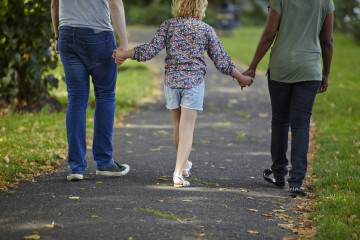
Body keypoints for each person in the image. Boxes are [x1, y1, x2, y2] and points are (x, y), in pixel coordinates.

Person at [113, 0, 253, 187]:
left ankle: (184, 164)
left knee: (178, 125)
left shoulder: (168, 26)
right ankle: (178, 174)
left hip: (172, 82)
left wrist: (126, 53)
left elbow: (149, 51)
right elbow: (221, 60)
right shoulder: (205, 29)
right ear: (201, 6)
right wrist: (240, 78)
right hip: (193, 83)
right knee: (187, 128)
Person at [243, 0, 335, 197]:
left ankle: (278, 174)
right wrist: (326, 73)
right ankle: (296, 182)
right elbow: (327, 41)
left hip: (281, 67)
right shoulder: (325, 2)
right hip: (309, 69)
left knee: (280, 121)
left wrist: (253, 66)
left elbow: (269, 36)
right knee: (301, 123)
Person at [51, 0, 130, 181]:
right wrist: (124, 44)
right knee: (105, 96)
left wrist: (57, 36)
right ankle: (104, 163)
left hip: (67, 34)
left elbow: (54, 5)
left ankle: (76, 167)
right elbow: (115, 3)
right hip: (99, 34)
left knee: (76, 99)